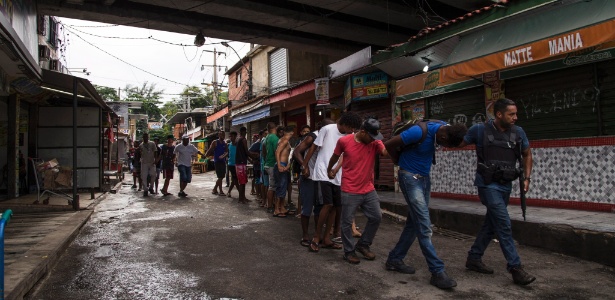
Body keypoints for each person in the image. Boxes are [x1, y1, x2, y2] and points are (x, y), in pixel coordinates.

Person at [459, 98, 536, 286]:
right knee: (503, 222)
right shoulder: (479, 130)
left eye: (516, 114)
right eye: (511, 114)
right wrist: (438, 134)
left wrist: (527, 178)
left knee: (492, 223)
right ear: (499, 114)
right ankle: (515, 268)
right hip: (487, 185)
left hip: (505, 185)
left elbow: (527, 154)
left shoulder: (518, 132)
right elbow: (458, 142)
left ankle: (474, 258)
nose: (515, 118)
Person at [383, 119, 467, 290]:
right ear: (442, 135)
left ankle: (394, 259)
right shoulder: (418, 132)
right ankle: (437, 272)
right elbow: (388, 145)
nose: (443, 147)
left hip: (424, 179)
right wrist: (398, 161)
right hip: (409, 178)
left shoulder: (446, 128)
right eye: (445, 144)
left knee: (414, 223)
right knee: (424, 225)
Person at [328, 117, 388, 264]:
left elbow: (385, 152)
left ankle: (363, 244)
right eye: (371, 136)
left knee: (376, 217)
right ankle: (349, 251)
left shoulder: (374, 141)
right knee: (347, 222)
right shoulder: (344, 141)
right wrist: (330, 169)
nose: (373, 139)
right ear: (362, 131)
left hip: (368, 188)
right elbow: (336, 156)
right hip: (350, 189)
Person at [305, 111, 362, 253]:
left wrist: (336, 169)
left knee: (336, 207)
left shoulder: (349, 136)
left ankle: (326, 239)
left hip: (337, 175)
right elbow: (314, 147)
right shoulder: (327, 129)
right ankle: (316, 238)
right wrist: (304, 165)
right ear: (346, 124)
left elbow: (343, 155)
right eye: (351, 128)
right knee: (327, 204)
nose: (353, 131)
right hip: (322, 172)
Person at [295, 121, 332, 246]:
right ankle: (305, 236)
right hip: (309, 178)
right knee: (307, 208)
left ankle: (318, 234)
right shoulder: (313, 137)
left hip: (321, 178)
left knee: (320, 208)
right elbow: (297, 151)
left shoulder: (331, 138)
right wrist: (304, 167)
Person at [273, 126, 295, 217]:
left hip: (284, 165)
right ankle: (276, 209)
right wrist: (279, 165)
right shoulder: (285, 140)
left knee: (283, 187)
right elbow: (277, 152)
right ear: (292, 132)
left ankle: (281, 207)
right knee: (281, 188)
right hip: (281, 165)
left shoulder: (284, 140)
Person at [262, 122, 279, 212]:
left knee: (271, 186)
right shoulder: (274, 138)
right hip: (272, 164)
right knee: (272, 187)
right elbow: (277, 152)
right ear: (275, 128)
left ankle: (271, 204)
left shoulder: (266, 138)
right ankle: (270, 206)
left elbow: (263, 152)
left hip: (267, 163)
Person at [205, 130, 228, 196]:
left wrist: (223, 156)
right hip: (217, 161)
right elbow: (210, 149)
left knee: (222, 176)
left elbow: (226, 152)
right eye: (221, 134)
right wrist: (206, 155)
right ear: (219, 135)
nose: (222, 136)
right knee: (220, 176)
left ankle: (215, 189)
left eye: (223, 134)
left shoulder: (225, 143)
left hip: (223, 161)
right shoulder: (215, 142)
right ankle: (220, 191)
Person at [235, 127, 251, 204]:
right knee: (242, 182)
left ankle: (243, 197)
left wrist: (251, 160)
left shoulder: (238, 140)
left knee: (243, 182)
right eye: (245, 131)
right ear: (243, 132)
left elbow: (245, 153)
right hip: (241, 163)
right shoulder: (243, 140)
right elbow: (247, 152)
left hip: (239, 163)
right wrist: (255, 155)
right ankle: (241, 199)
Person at [139, 133, 158, 197]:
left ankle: (151, 187)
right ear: (143, 137)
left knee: (154, 175)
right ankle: (145, 190)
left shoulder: (152, 144)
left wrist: (155, 159)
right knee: (143, 176)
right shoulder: (141, 145)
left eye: (146, 137)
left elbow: (155, 151)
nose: (145, 138)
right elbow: (140, 153)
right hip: (144, 163)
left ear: (148, 137)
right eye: (144, 137)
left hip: (151, 162)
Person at [249, 132, 263, 198]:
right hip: (257, 166)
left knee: (261, 181)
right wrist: (255, 156)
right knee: (257, 179)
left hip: (262, 165)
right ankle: (258, 194)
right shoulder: (256, 144)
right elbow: (248, 151)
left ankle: (260, 194)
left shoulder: (264, 143)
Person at [226, 132, 238, 198]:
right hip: (231, 164)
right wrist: (223, 156)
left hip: (237, 164)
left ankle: (229, 192)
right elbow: (227, 153)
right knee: (235, 180)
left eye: (232, 136)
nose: (231, 138)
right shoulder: (229, 145)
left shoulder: (238, 145)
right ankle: (241, 194)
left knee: (234, 180)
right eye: (230, 136)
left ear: (235, 136)